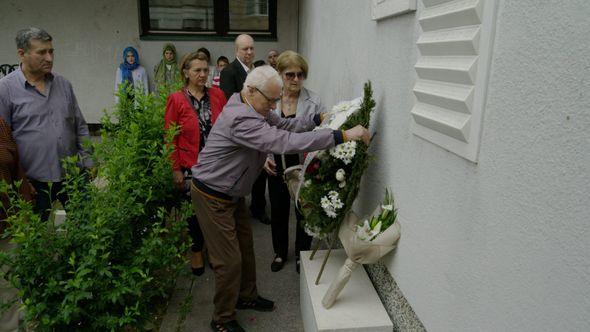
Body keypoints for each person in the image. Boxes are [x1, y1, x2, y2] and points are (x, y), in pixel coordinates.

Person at [190, 66, 370, 332]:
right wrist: (340, 136)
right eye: (270, 100)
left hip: (233, 194)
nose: (273, 106)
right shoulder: (241, 118)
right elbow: (284, 141)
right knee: (228, 261)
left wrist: (318, 118)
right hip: (212, 195)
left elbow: (286, 123)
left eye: (276, 100)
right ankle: (222, 319)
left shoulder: (253, 104)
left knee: (245, 251)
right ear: (251, 90)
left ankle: (246, 297)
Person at [0, 27, 93, 222]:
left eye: (51, 51)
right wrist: (20, 182)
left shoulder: (63, 84)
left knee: (85, 230)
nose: (49, 58)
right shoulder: (6, 89)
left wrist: (88, 162)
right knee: (36, 240)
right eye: (42, 52)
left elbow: (80, 126)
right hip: (33, 183)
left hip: (73, 177)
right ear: (22, 54)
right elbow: (3, 143)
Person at [164, 52, 227, 276]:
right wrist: (175, 169)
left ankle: (214, 249)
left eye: (205, 70)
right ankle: (196, 250)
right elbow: (170, 136)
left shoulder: (218, 95)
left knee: (216, 211)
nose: (202, 74)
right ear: (186, 73)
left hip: (216, 166)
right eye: (197, 70)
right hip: (190, 166)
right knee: (193, 213)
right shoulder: (177, 99)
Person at [264, 51, 324, 273]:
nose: (296, 80)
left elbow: (320, 134)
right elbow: (259, 133)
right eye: (290, 75)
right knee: (279, 210)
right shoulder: (270, 100)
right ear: (280, 74)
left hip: (303, 165)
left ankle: (302, 254)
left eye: (300, 75)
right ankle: (280, 253)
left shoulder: (314, 100)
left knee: (303, 211)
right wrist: (263, 158)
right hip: (276, 163)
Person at [219, 34, 270, 225]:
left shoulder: (257, 70)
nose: (249, 52)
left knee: (260, 165)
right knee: (241, 167)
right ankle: (235, 208)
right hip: (241, 128)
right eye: (245, 49)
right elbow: (229, 102)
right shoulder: (229, 71)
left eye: (251, 48)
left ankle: (258, 207)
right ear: (236, 50)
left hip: (260, 124)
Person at [0, 117, 33, 332]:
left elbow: (17, 169)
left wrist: (24, 213)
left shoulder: (1, 125)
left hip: (6, 224)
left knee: (8, 284)